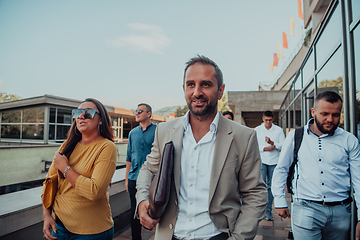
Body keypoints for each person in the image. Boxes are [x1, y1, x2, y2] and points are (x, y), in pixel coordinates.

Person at [136, 55, 267, 240]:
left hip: (218, 235)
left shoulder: (243, 137)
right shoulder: (165, 131)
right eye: (191, 84)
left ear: (220, 91)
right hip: (169, 235)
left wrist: (239, 237)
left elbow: (255, 193)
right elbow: (148, 169)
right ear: (184, 89)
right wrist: (142, 200)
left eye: (205, 84)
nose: (197, 92)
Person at [272, 91, 360, 240]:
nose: (330, 119)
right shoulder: (295, 136)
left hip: (341, 213)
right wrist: (279, 200)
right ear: (313, 112)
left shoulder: (349, 140)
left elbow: (358, 180)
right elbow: (281, 169)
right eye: (324, 114)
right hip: (306, 209)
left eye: (336, 115)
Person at [42, 98, 117, 240]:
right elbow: (49, 182)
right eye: (77, 113)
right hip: (59, 227)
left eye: (88, 113)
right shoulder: (67, 145)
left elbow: (94, 191)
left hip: (92, 231)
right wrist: (46, 215)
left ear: (101, 120)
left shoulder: (107, 147)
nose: (81, 116)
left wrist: (65, 168)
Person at [125, 103, 157, 240]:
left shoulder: (158, 130)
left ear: (148, 114)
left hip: (153, 179)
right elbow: (128, 157)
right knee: (135, 211)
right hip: (134, 178)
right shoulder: (133, 133)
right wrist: (127, 179)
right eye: (135, 111)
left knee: (156, 210)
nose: (136, 113)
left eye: (139, 111)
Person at [254, 110, 285, 221]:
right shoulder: (257, 130)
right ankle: (260, 210)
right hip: (262, 161)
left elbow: (283, 145)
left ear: (273, 119)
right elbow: (253, 146)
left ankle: (268, 210)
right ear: (263, 119)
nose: (268, 122)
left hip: (274, 161)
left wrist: (274, 145)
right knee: (262, 186)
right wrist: (265, 148)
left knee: (272, 186)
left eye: (270, 120)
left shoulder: (278, 130)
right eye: (266, 120)